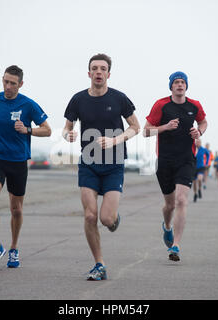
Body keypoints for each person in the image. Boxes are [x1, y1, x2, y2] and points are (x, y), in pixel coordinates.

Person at [63, 54, 140, 280]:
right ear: (89, 73)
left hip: (114, 164)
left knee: (106, 219)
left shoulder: (119, 99)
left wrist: (116, 140)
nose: (98, 72)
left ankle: (114, 219)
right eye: (94, 68)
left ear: (108, 74)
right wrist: (68, 135)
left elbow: (135, 126)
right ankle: (99, 264)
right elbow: (66, 127)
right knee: (89, 216)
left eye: (102, 68)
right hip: (88, 163)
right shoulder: (78, 99)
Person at [0, 65, 52, 268]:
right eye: (5, 81)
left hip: (18, 161)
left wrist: (27, 129)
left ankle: (14, 248)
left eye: (12, 83)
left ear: (20, 84)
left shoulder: (28, 105)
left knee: (16, 209)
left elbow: (47, 130)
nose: (8, 86)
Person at [143, 71, 208, 262]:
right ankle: (167, 226)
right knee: (169, 205)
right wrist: (165, 127)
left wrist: (199, 132)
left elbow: (203, 121)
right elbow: (145, 131)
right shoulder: (161, 105)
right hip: (165, 161)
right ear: (171, 86)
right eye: (176, 82)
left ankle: (176, 246)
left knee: (181, 200)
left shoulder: (194, 105)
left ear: (186, 86)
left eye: (182, 82)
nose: (180, 85)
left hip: (186, 160)